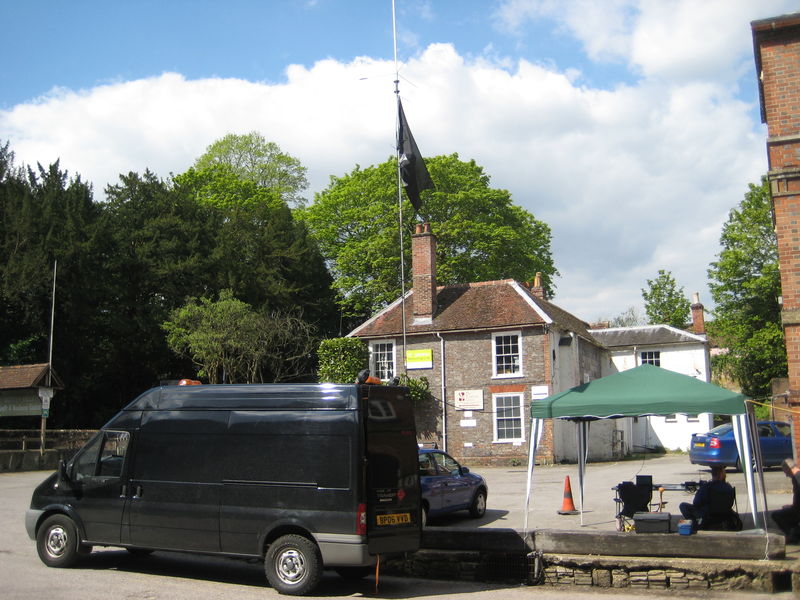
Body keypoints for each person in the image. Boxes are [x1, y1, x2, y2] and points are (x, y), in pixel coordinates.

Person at [679, 465, 734, 531]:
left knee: (683, 506)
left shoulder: (707, 487)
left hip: (707, 516)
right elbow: (731, 503)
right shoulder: (728, 487)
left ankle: (695, 526)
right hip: (725, 515)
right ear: (723, 475)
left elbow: (696, 503)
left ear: (713, 475)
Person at [772, 458, 800, 543]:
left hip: (798, 510)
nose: (786, 475)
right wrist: (792, 506)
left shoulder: (797, 478)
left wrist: (793, 507)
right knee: (787, 512)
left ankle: (794, 535)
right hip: (797, 508)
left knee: (776, 515)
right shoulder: (796, 477)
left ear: (788, 468)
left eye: (785, 471)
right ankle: (795, 533)